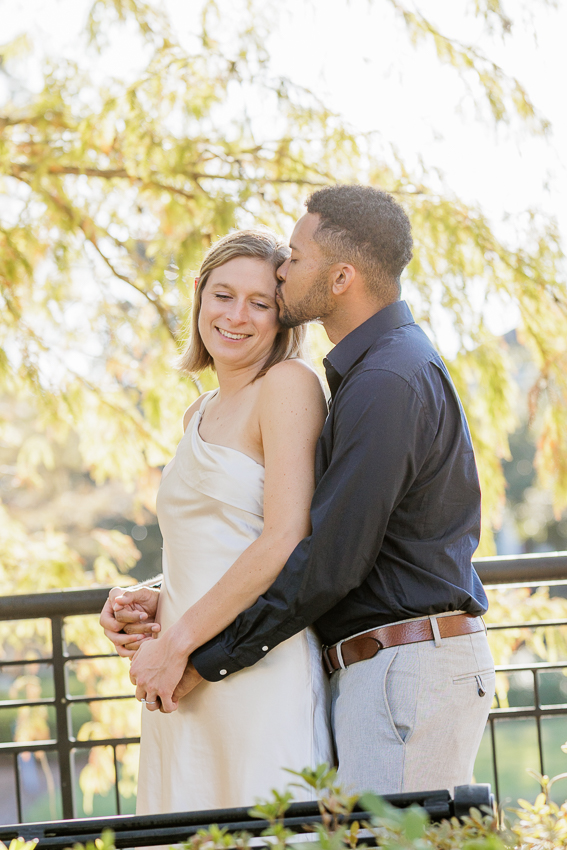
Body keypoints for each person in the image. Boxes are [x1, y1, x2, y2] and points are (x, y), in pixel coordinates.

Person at [104, 184, 495, 798]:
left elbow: (320, 554)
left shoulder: (384, 379)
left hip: (402, 665)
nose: (284, 273)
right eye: (223, 295)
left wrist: (201, 655)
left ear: (340, 277)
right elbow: (296, 535)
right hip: (375, 665)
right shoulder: (370, 373)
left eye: (292, 259)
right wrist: (163, 596)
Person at [101, 229, 333, 815]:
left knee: (266, 822)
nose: (236, 316)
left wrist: (176, 646)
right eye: (222, 295)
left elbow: (285, 538)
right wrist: (151, 596)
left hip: (251, 666)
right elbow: (217, 542)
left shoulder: (288, 385)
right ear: (200, 295)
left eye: (260, 303)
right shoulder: (196, 412)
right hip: (181, 678)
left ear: (283, 320)